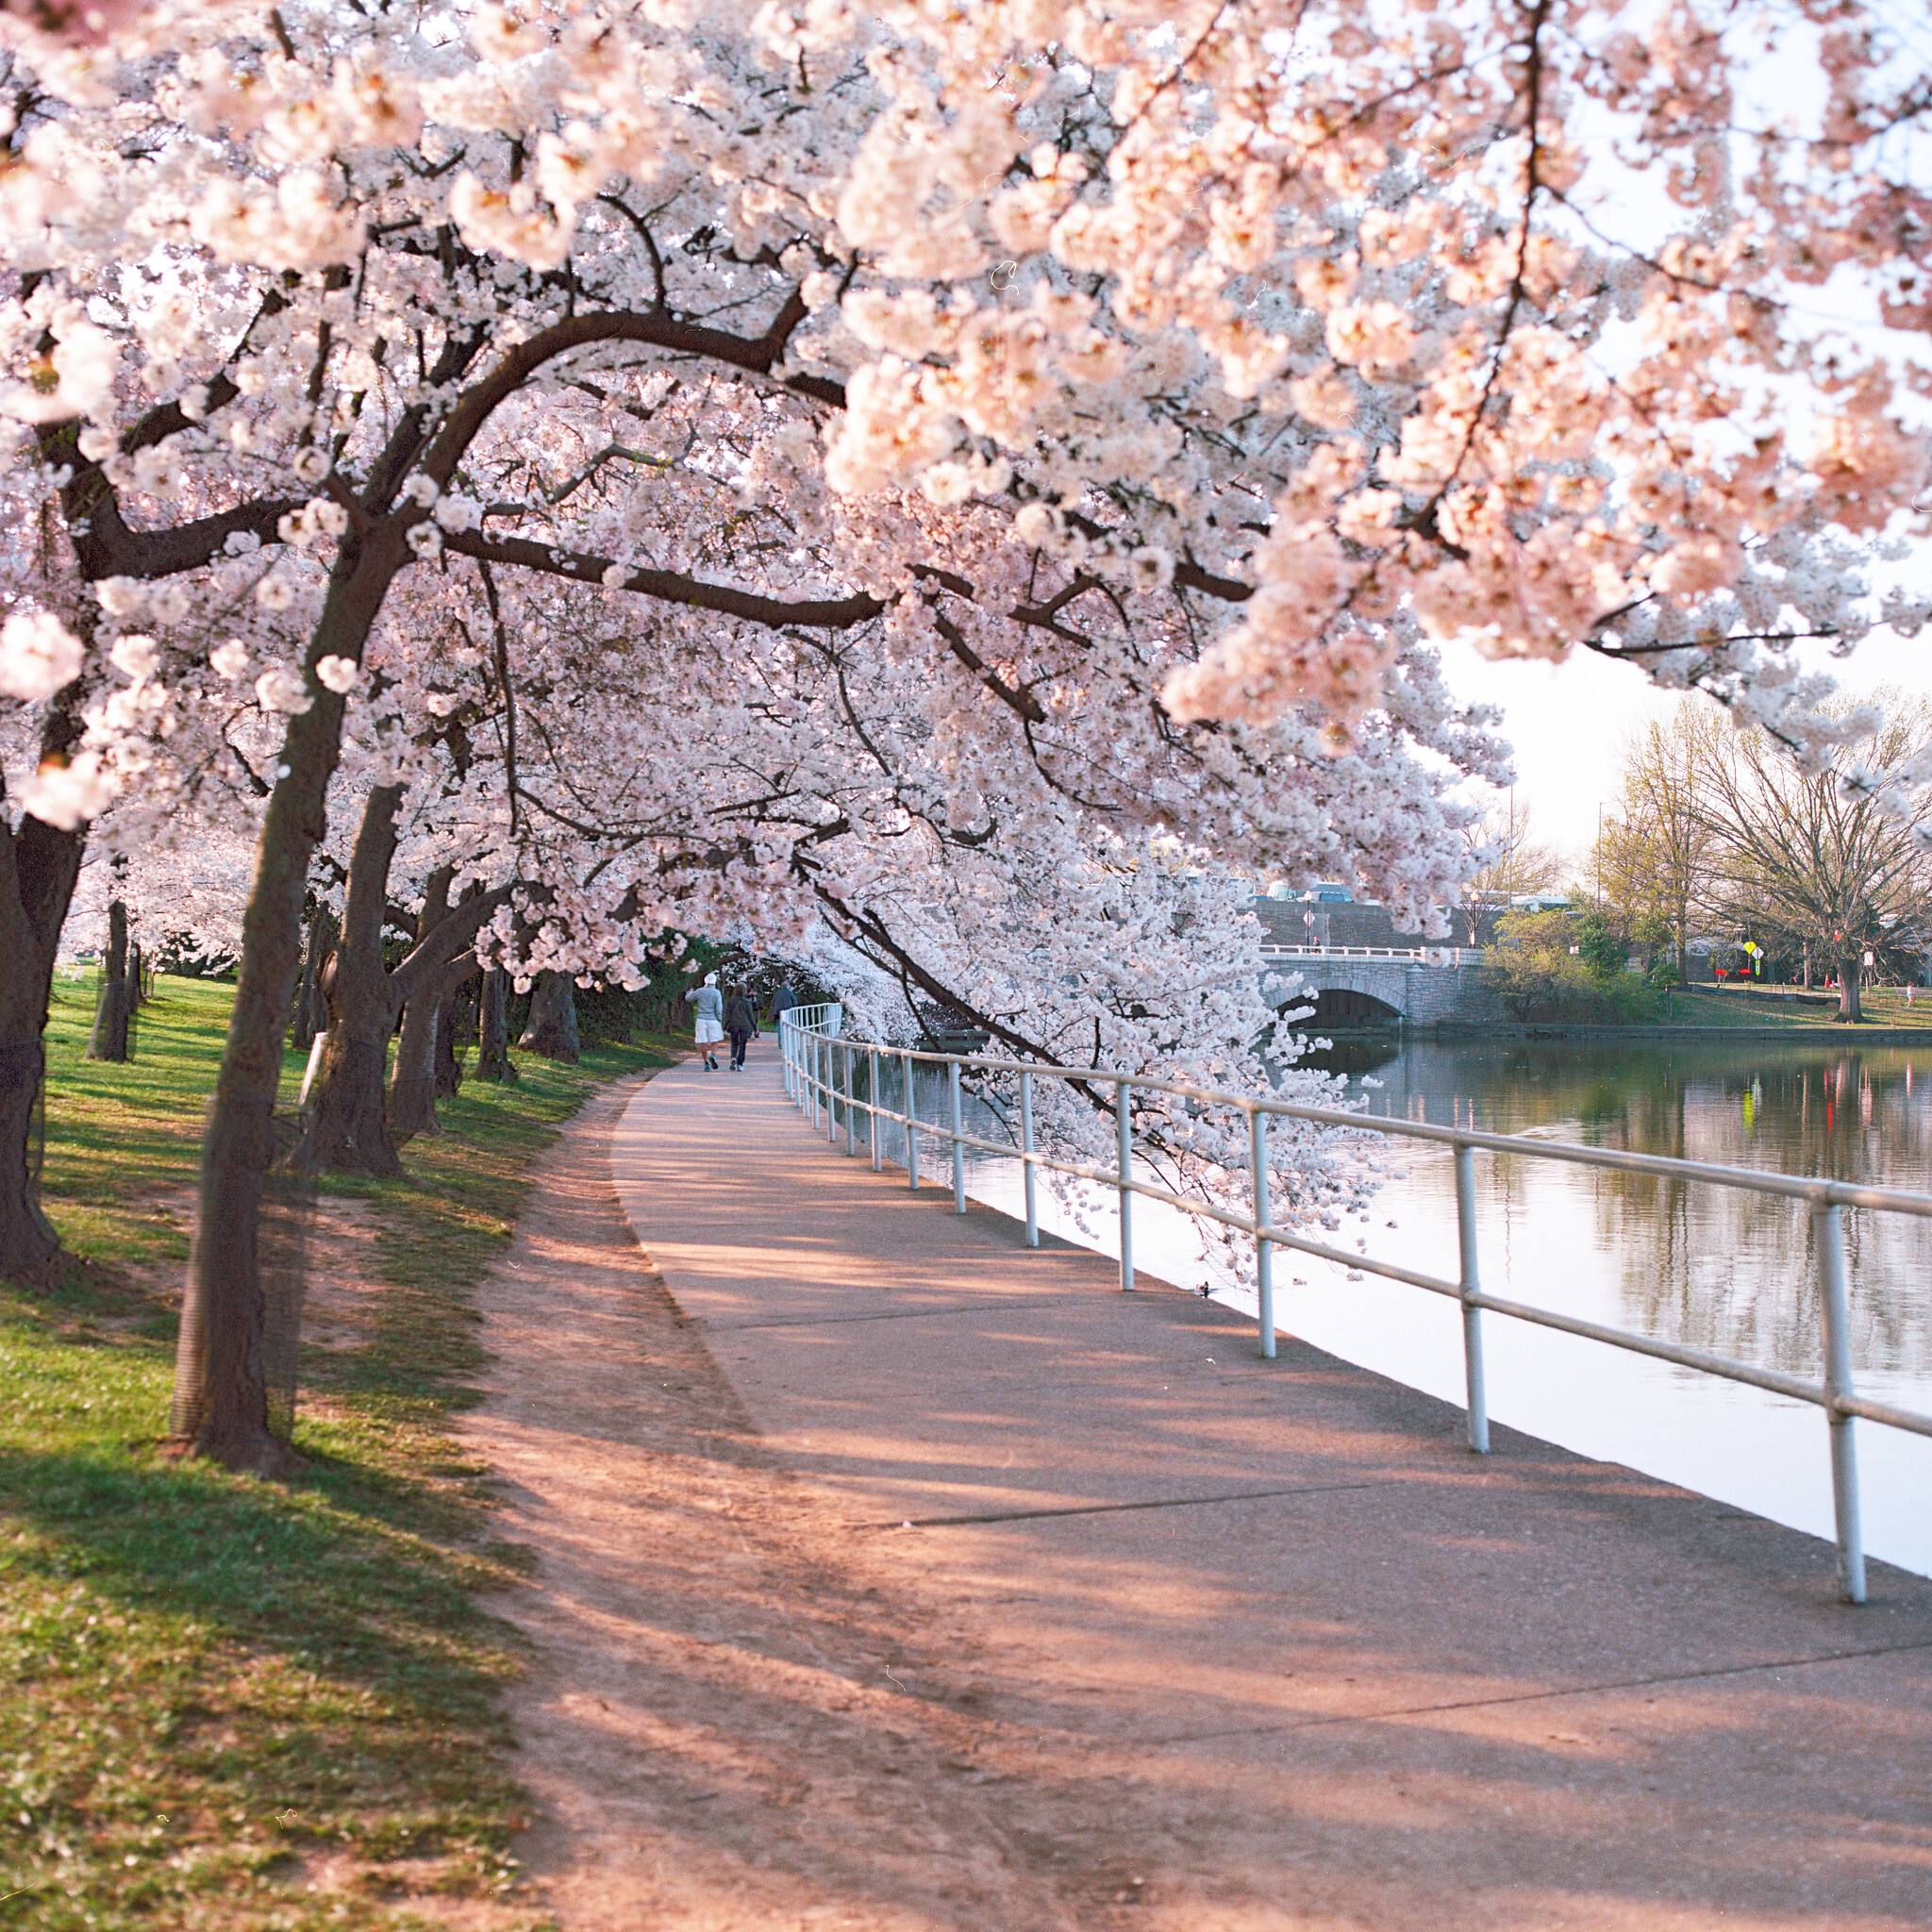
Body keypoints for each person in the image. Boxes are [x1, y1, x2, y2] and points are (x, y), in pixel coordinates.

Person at [691, 972, 724, 1071]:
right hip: (713, 1019)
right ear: (714, 982)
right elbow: (718, 1008)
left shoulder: (700, 991)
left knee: (703, 1042)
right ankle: (713, 1055)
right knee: (715, 1041)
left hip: (701, 1018)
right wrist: (719, 1019)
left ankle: (706, 1063)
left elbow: (689, 998)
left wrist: (689, 992)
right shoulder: (717, 993)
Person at [723, 986, 757, 1072]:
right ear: (744, 991)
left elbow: (728, 1015)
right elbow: (751, 1016)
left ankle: (733, 1057)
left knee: (734, 1043)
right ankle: (740, 1064)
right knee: (742, 1044)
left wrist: (725, 1027)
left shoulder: (730, 1000)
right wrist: (755, 1028)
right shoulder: (747, 1002)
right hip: (745, 1025)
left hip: (734, 1024)